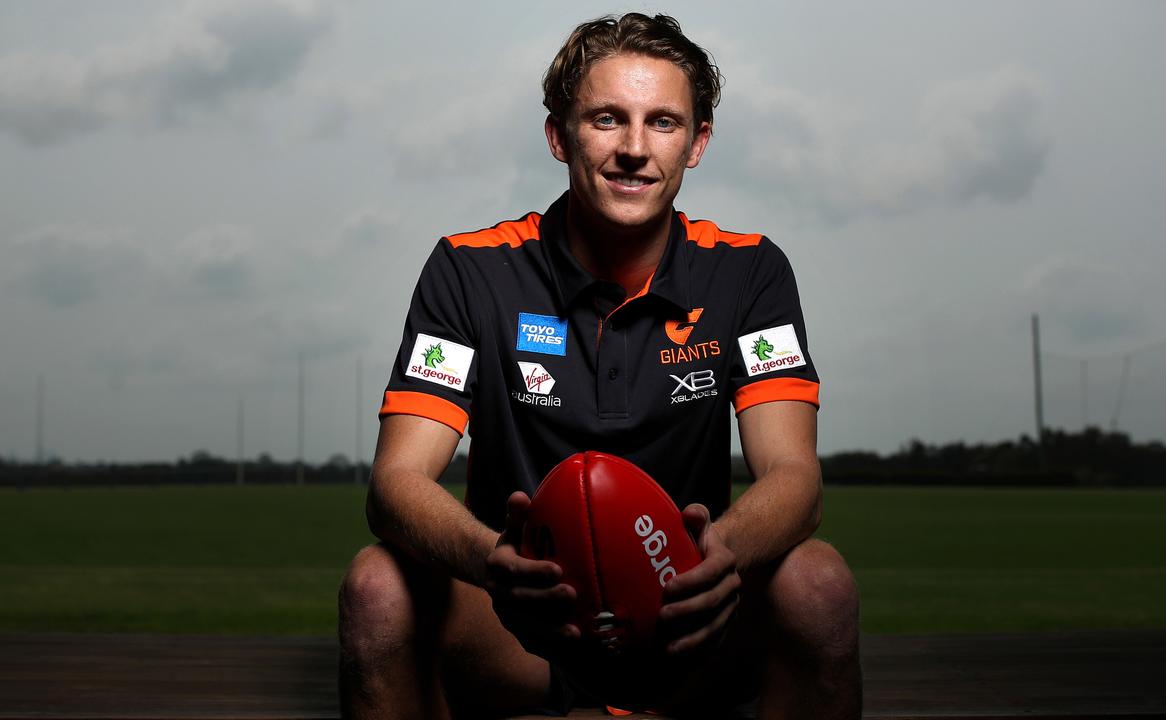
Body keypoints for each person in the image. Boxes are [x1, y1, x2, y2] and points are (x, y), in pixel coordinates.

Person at [338, 12, 860, 719]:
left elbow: (797, 478)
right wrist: (496, 564)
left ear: (698, 142)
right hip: (521, 629)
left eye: (665, 123)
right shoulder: (470, 270)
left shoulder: (749, 271)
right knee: (378, 587)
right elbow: (395, 484)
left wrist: (718, 555)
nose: (635, 150)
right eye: (608, 119)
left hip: (689, 625)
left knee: (819, 584)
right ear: (560, 135)